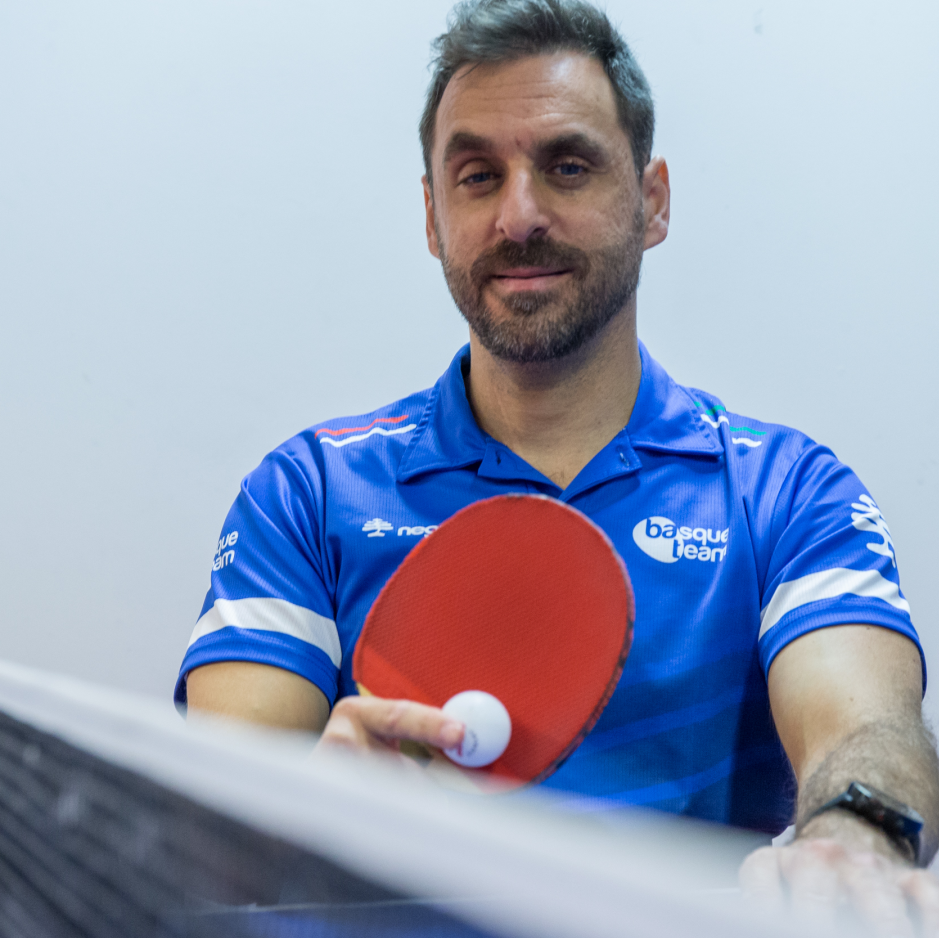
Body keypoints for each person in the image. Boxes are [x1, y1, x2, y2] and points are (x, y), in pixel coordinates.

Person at [177, 0, 939, 927]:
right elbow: (203, 835)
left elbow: (868, 728)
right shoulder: (305, 494)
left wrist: (855, 833)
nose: (519, 216)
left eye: (566, 167)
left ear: (651, 201)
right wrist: (305, 812)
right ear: (432, 217)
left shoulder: (785, 492)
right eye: (476, 176)